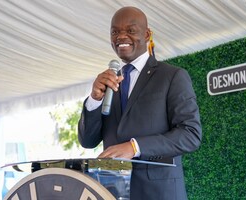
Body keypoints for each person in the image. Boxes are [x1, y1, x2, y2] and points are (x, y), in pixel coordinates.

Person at [78, 6, 202, 200]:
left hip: (159, 193)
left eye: (130, 30)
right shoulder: (109, 81)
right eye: (115, 32)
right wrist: (94, 99)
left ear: (147, 34)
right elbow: (87, 141)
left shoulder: (172, 76)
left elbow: (190, 134)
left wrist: (135, 147)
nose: (121, 37)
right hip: (113, 192)